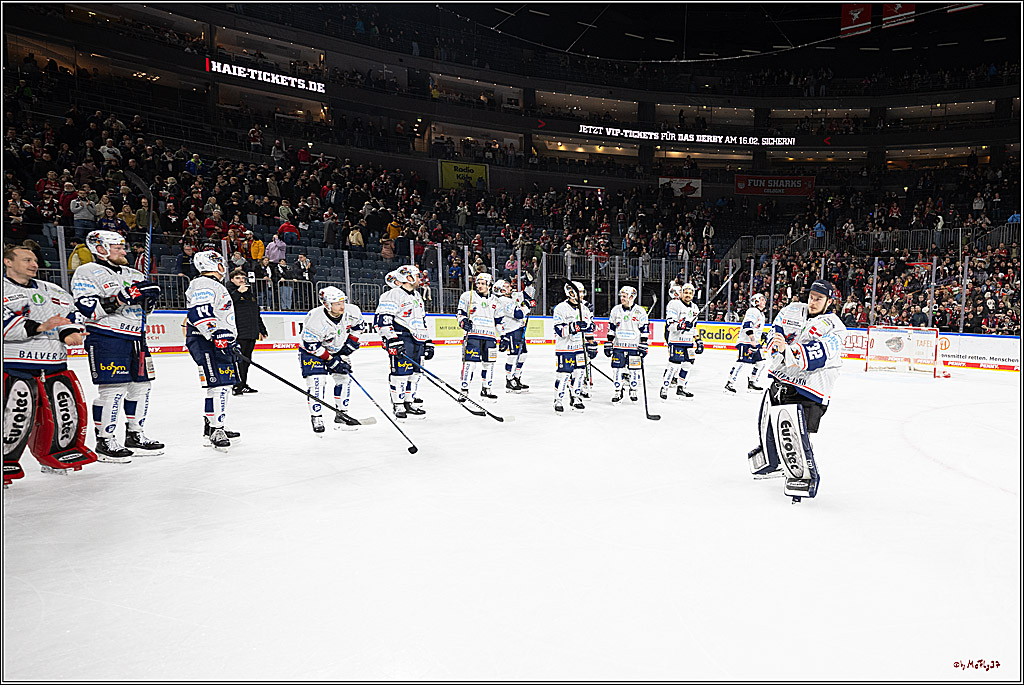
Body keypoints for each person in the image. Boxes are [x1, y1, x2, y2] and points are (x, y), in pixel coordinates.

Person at [3, 243, 97, 486]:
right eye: (27, 260)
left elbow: (71, 315)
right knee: (15, 416)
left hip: (55, 364)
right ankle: (6, 460)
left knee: (64, 414)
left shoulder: (52, 289)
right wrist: (42, 326)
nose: (34, 264)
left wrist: (69, 332)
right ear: (8, 262)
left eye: (35, 260)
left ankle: (55, 453)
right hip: (15, 366)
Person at [746, 280, 846, 502]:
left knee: (794, 435)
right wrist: (776, 344)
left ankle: (801, 478)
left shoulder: (835, 326)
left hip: (810, 389)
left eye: (819, 298)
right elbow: (776, 332)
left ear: (829, 301)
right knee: (767, 426)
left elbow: (819, 355)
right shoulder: (791, 310)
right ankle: (771, 462)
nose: (813, 301)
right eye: (811, 296)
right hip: (782, 381)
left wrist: (787, 351)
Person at [71, 230, 163, 462]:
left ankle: (135, 434)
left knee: (141, 387)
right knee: (113, 388)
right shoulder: (87, 271)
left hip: (136, 338)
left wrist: (148, 300)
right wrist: (122, 297)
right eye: (118, 247)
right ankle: (104, 440)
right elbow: (87, 308)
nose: (125, 251)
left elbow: (141, 308)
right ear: (100, 248)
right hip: (107, 336)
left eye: (124, 247)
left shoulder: (133, 273)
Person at [184, 250, 240, 450]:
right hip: (207, 341)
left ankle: (214, 424)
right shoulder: (204, 284)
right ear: (216, 265)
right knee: (218, 386)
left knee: (220, 385)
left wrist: (228, 338)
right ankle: (216, 428)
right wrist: (215, 333)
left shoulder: (212, 285)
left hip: (216, 341)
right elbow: (199, 312)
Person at [299, 287, 365, 433]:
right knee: (317, 381)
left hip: (337, 348)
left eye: (342, 302)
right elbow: (312, 345)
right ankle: (317, 417)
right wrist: (331, 360)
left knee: (344, 379)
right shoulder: (315, 319)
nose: (342, 306)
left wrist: (349, 346)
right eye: (336, 303)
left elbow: (359, 326)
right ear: (327, 304)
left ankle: (342, 414)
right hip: (312, 352)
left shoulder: (352, 311)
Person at [374, 265, 432, 420]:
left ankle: (408, 401)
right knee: (400, 373)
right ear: (408, 278)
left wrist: (428, 341)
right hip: (401, 337)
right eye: (417, 276)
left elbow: (421, 321)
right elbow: (383, 320)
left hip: (417, 339)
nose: (420, 279)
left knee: (415, 373)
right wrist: (392, 339)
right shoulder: (392, 294)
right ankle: (398, 404)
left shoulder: (417, 296)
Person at [456, 272, 504, 401]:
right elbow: (460, 313)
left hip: (490, 337)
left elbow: (499, 322)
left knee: (489, 364)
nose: (479, 286)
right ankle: (464, 389)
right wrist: (463, 321)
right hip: (473, 336)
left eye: (483, 283)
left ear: (489, 285)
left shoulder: (496, 301)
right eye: (478, 283)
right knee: (470, 364)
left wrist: (503, 336)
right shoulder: (467, 296)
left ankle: (486, 388)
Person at [552, 280, 595, 413]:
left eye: (582, 291)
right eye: (579, 292)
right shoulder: (560, 308)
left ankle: (575, 396)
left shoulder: (585, 309)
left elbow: (590, 328)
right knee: (564, 374)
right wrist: (574, 326)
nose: (581, 294)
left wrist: (591, 345)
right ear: (571, 292)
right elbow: (559, 330)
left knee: (579, 373)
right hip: (565, 348)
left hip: (580, 348)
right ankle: (558, 399)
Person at [605, 285, 649, 403]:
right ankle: (617, 390)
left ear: (632, 297)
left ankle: (633, 389)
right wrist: (609, 342)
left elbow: (644, 329)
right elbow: (611, 327)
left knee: (634, 370)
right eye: (621, 296)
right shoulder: (615, 310)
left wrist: (643, 344)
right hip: (619, 346)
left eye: (625, 296)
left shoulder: (640, 311)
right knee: (617, 369)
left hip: (634, 346)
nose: (622, 298)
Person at [227, 269, 267, 395]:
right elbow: (226, 306)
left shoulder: (250, 293)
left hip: (251, 332)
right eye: (238, 278)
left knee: (247, 361)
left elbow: (256, 313)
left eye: (243, 278)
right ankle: (236, 385)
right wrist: (238, 292)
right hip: (238, 332)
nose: (241, 280)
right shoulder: (228, 292)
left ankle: (243, 383)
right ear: (232, 279)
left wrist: (262, 329)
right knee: (238, 361)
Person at [661, 282, 702, 399]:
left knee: (688, 364)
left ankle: (681, 387)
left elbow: (694, 327)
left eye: (690, 293)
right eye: (686, 292)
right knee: (673, 365)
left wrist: (698, 340)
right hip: (676, 341)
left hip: (689, 342)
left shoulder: (695, 308)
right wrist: (681, 325)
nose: (688, 295)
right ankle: (664, 387)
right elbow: (670, 324)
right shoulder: (674, 304)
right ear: (681, 293)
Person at [495, 279, 534, 393]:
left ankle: (516, 377)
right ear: (501, 290)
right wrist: (527, 306)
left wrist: (529, 285)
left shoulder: (510, 298)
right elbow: (518, 314)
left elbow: (526, 296)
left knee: (523, 355)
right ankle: (509, 379)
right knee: (513, 355)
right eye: (507, 286)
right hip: (511, 330)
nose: (510, 287)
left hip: (518, 329)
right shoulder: (502, 301)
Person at [725, 293, 769, 393]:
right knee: (741, 362)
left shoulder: (760, 313)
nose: (764, 301)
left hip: (754, 342)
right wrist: (752, 339)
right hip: (746, 342)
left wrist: (761, 335)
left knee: (760, 363)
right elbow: (747, 325)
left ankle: (752, 382)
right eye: (762, 299)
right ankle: (729, 383)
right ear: (756, 301)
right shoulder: (753, 310)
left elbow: (755, 327)